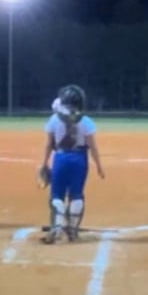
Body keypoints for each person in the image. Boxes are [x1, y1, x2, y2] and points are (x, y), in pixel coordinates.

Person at [37, 84, 106, 244]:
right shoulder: (86, 121)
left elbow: (49, 144)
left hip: (61, 158)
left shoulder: (54, 119)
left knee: (57, 194)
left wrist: (44, 163)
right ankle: (73, 231)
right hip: (79, 159)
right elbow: (93, 147)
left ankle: (57, 227)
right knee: (76, 194)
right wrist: (99, 166)